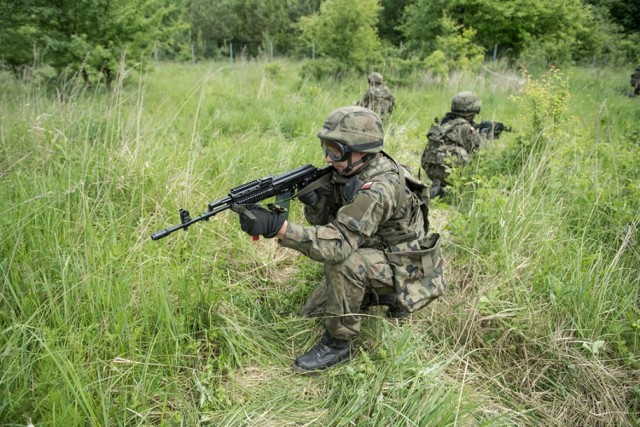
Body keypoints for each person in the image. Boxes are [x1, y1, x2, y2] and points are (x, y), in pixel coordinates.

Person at [233, 106, 445, 373]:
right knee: (312, 313)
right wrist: (315, 200)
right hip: (381, 249)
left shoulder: (379, 188)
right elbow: (329, 222)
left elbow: (338, 244)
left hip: (408, 267)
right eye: (326, 148)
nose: (328, 158)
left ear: (362, 149)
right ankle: (379, 297)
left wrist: (280, 228)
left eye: (336, 150)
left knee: (344, 264)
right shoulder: (352, 172)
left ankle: (338, 345)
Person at [420, 91, 482, 199]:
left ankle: (439, 185)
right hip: (451, 173)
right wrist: (486, 136)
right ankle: (448, 187)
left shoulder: (444, 123)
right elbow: (478, 152)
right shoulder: (466, 128)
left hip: (430, 169)